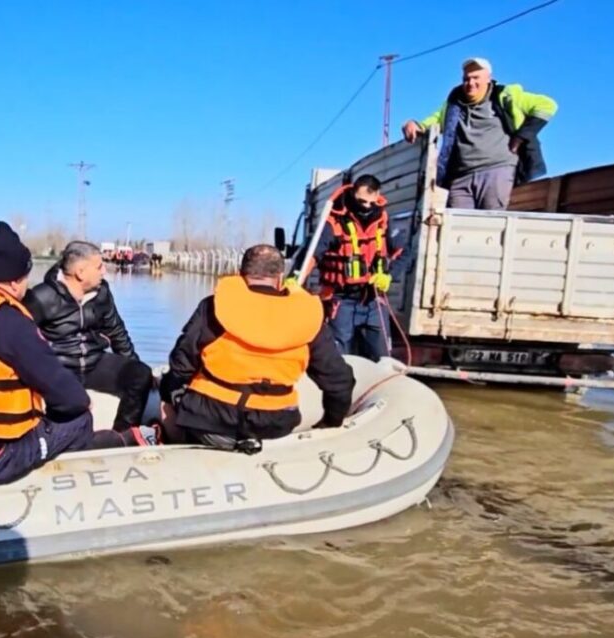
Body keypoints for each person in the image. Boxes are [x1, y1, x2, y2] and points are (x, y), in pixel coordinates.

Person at [0, 222, 153, 488]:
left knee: (136, 374)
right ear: (16, 281)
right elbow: (68, 398)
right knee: (81, 418)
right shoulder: (14, 317)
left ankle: (121, 436)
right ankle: (74, 484)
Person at [158, 245, 354, 450]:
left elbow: (181, 363)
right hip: (276, 425)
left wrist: (169, 391)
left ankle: (173, 446)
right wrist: (331, 422)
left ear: (241, 275)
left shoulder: (214, 306)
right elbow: (339, 380)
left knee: (166, 397)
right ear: (280, 278)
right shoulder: (307, 316)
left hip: (211, 423)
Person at [24, 241, 155, 432]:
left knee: (140, 375)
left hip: (95, 362)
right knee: (68, 410)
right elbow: (20, 342)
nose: (104, 271)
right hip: (60, 369)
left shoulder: (102, 292)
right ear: (80, 272)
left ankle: (121, 436)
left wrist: (133, 364)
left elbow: (116, 331)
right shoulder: (41, 297)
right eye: (99, 266)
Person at [402, 57, 557, 210]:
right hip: (461, 174)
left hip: (496, 169)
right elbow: (435, 120)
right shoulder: (454, 104)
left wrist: (522, 135)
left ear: (488, 79)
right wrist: (416, 124)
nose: (470, 83)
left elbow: (547, 105)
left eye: (476, 78)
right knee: (456, 225)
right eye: (466, 79)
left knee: (488, 223)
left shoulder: (506, 96)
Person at [309, 174, 408, 361]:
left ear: (378, 196)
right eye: (362, 201)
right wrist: (295, 280)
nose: (367, 207)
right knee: (338, 359)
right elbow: (313, 254)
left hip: (373, 301)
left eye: (372, 202)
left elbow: (405, 251)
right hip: (341, 300)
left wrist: (388, 274)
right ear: (354, 193)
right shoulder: (334, 222)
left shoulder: (384, 220)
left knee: (384, 359)